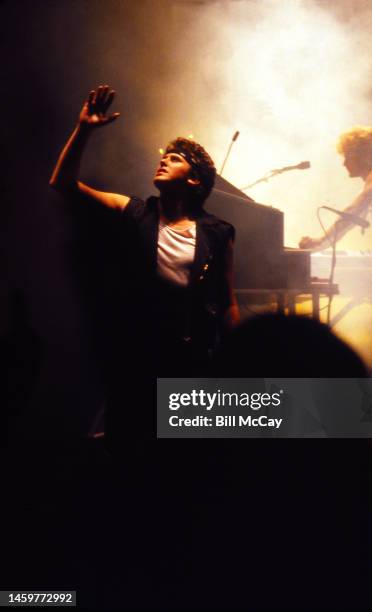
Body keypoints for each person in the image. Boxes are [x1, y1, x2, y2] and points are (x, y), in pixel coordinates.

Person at [50, 84, 239, 444]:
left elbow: (228, 300)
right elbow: (63, 184)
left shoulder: (218, 231)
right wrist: (84, 129)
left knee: (180, 457)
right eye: (164, 155)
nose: (164, 159)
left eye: (176, 158)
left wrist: (236, 357)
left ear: (195, 179)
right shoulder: (134, 210)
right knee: (130, 449)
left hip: (189, 357)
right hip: (136, 353)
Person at [299, 125, 372, 316]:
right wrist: (319, 245)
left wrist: (319, 241)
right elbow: (350, 222)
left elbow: (352, 210)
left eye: (347, 156)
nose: (343, 163)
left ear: (362, 155)